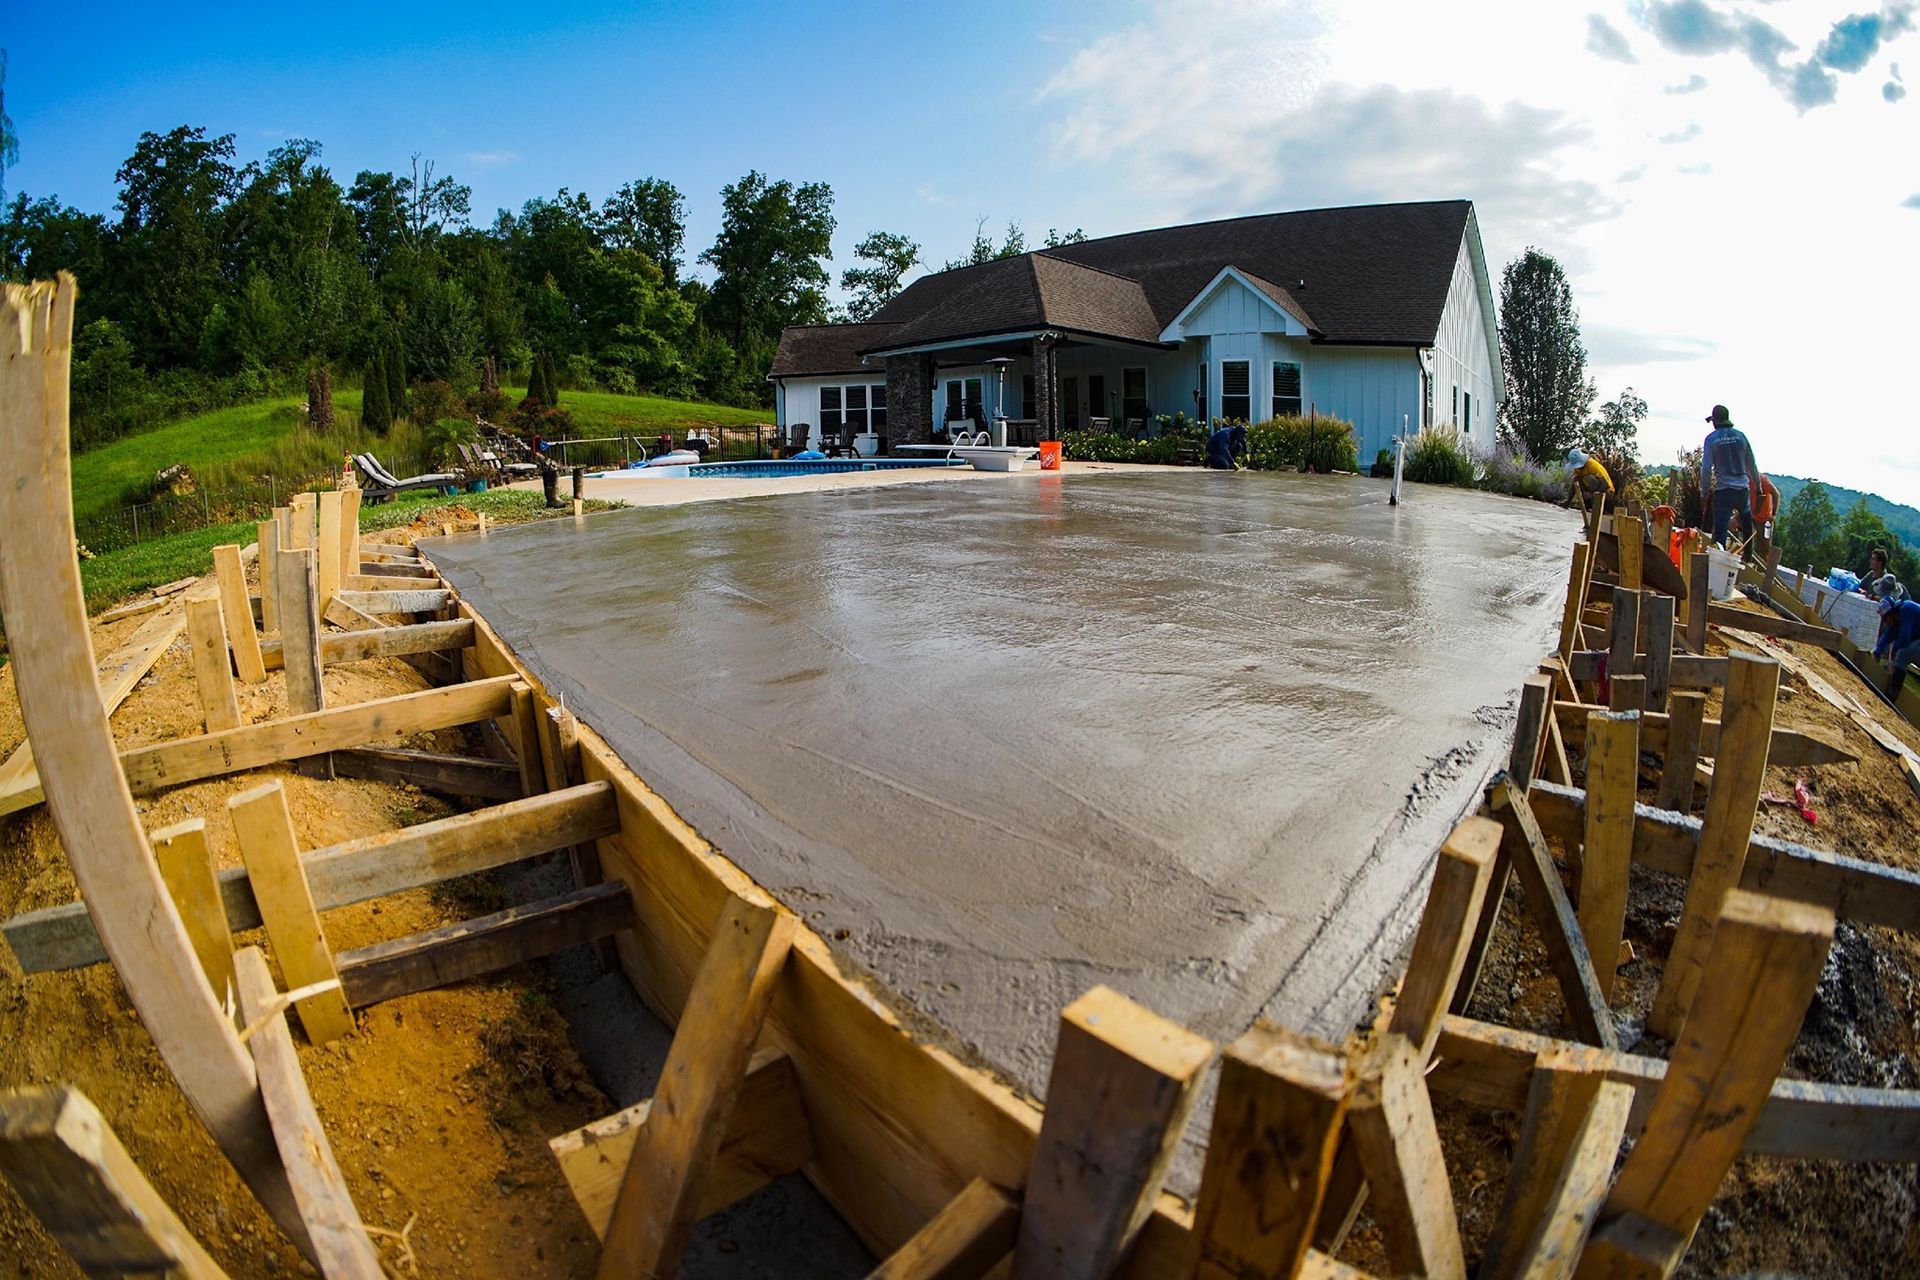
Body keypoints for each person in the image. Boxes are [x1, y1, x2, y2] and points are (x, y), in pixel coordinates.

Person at [1699, 405, 1762, 549]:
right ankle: (1748, 559)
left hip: (1724, 491)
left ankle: (1718, 561)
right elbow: (1751, 463)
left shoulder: (1711, 439)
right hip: (1741, 490)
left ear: (1715, 421)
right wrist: (1758, 487)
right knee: (1747, 527)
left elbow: (1706, 468)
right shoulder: (1740, 436)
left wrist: (1704, 492)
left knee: (1720, 530)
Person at [1874, 595, 1920, 695]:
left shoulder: (1907, 609)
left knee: (1903, 653)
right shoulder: (1896, 618)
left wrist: (1894, 648)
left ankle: (1892, 694)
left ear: (1893, 612)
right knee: (1900, 654)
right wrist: (1878, 651)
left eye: (1886, 618)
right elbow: (1888, 634)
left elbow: (1905, 640)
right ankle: (1890, 684)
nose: (1886, 622)